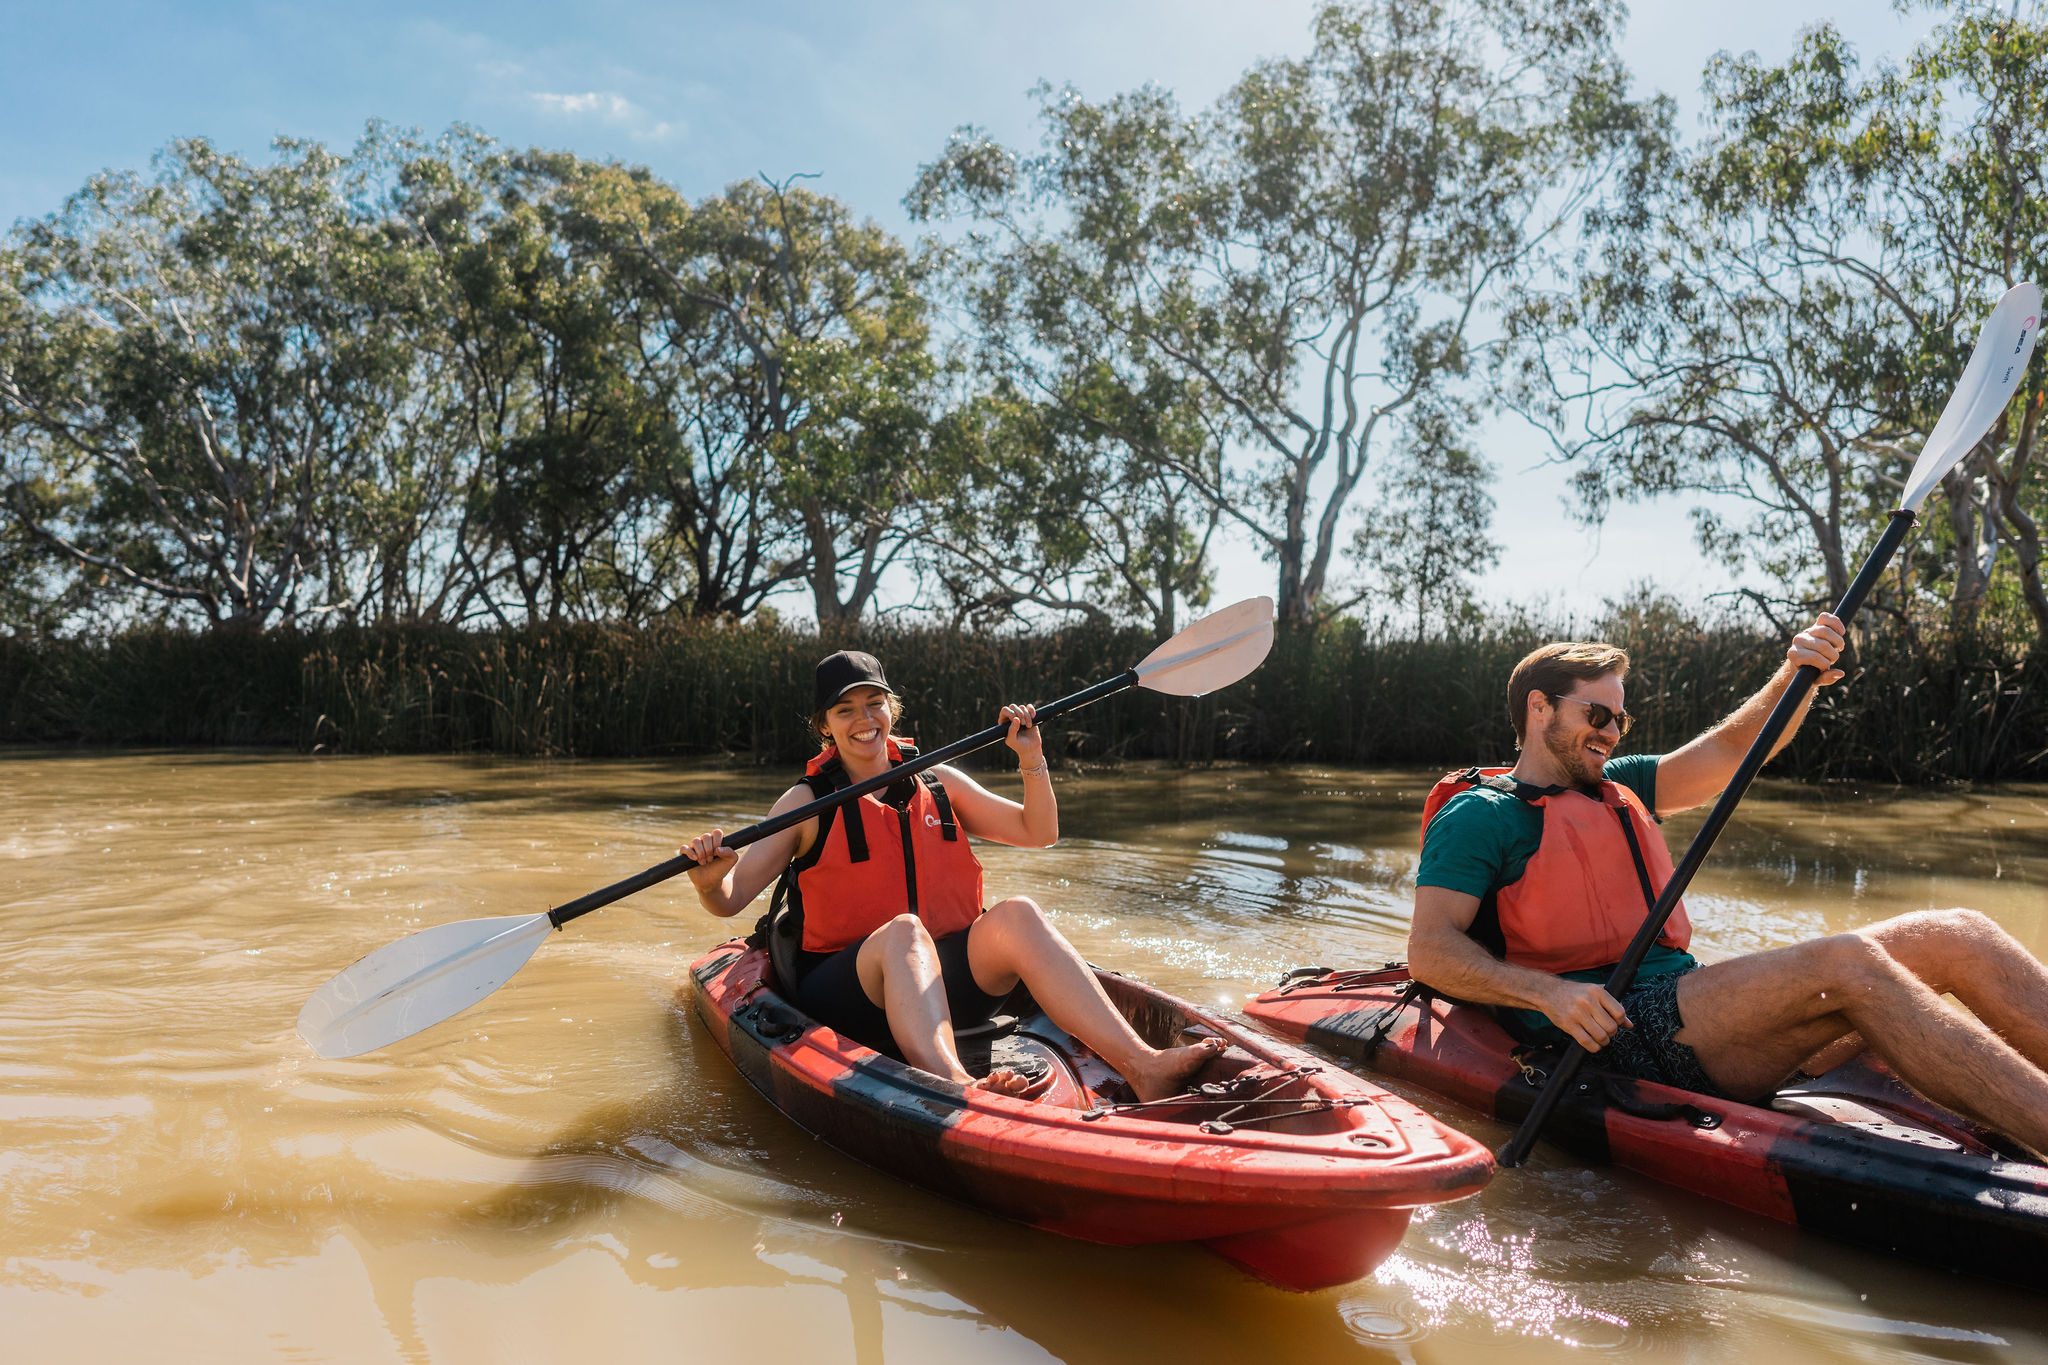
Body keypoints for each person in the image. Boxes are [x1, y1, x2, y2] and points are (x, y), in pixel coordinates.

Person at [1408, 613, 2048, 1155]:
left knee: (1958, 933)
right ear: (1538, 707)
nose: (1610, 730)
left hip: (1688, 1009)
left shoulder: (1625, 785)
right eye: (1597, 712)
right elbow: (1431, 950)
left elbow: (1732, 750)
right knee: (1846, 962)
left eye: (1620, 719)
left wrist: (1795, 678)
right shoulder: (1482, 815)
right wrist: (1546, 994)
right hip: (1610, 1031)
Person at [682, 649, 1222, 1100]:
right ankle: (959, 1086)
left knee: (1017, 914)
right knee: (904, 930)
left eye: (874, 704)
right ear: (825, 726)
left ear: (891, 709)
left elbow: (1039, 831)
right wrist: (710, 878)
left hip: (948, 986)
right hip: (851, 995)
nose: (864, 719)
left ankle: (1144, 1065)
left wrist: (1030, 757)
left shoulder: (937, 780)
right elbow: (730, 900)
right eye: (845, 711)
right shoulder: (805, 802)